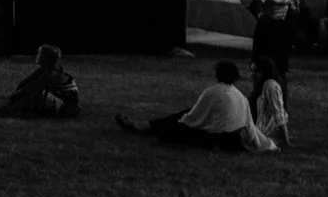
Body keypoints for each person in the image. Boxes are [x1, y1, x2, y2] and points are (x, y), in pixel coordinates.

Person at [114, 61, 268, 150]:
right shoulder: (240, 95)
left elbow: (193, 117)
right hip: (232, 137)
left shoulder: (214, 92)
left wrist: (178, 123)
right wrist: (264, 143)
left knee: (179, 120)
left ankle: (143, 126)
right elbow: (249, 124)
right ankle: (145, 126)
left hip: (218, 137)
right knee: (180, 118)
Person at [0, 44, 80, 118]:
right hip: (61, 103)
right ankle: (3, 112)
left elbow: (31, 88)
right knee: (30, 97)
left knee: (35, 96)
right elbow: (24, 83)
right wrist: (14, 97)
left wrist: (15, 99)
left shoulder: (52, 74)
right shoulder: (44, 70)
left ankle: (1, 113)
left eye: (40, 53)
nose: (37, 55)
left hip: (69, 108)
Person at [247, 0, 293, 83]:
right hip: (282, 28)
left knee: (261, 56)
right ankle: (282, 84)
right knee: (281, 58)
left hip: (266, 28)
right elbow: (292, 10)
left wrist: (260, 16)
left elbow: (254, 4)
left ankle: (261, 81)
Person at [247, 54, 291, 149]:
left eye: (257, 71)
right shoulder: (260, 86)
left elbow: (278, 114)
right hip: (256, 131)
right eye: (252, 71)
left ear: (265, 72)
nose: (252, 75)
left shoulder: (271, 85)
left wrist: (286, 141)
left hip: (265, 133)